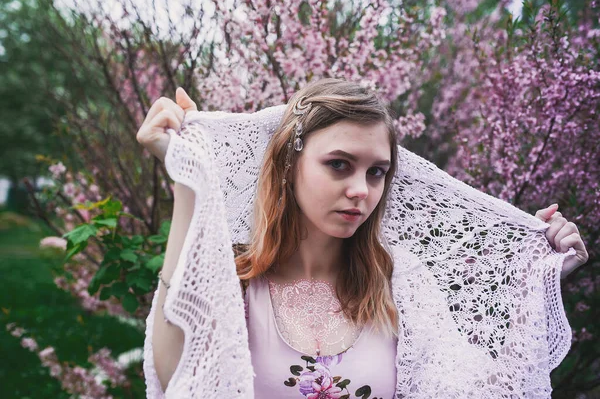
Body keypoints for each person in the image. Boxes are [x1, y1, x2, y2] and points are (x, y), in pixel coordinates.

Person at [136, 78, 589, 398]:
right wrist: (186, 179)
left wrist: (538, 281)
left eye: (377, 172)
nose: (361, 190)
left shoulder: (398, 284)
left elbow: (475, 391)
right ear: (289, 165)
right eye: (338, 164)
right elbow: (179, 374)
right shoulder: (237, 282)